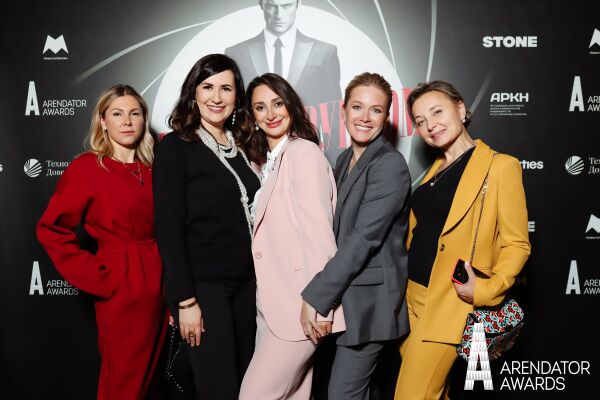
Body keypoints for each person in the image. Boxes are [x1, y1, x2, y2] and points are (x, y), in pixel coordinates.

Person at [394, 80, 531, 399]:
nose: (430, 125)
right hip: (410, 300)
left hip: (448, 303)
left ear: (460, 108)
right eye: (420, 121)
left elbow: (517, 244)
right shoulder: (435, 170)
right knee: (434, 392)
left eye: (437, 112)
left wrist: (484, 289)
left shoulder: (500, 167)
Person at [36, 84, 166, 400]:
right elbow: (51, 229)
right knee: (124, 384)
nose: (127, 121)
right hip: (124, 287)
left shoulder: (157, 167)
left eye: (135, 113)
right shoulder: (87, 168)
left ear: (144, 119)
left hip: (164, 283)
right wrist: (101, 278)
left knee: (150, 383)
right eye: (117, 114)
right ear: (103, 121)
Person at [152, 53, 261, 399]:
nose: (216, 97)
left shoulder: (241, 146)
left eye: (226, 88)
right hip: (204, 288)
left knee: (248, 385)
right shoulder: (176, 147)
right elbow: (168, 229)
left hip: (248, 286)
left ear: (237, 96)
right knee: (219, 389)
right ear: (193, 92)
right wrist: (185, 302)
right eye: (207, 87)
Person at [301, 72, 411, 400]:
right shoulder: (344, 159)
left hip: (370, 304)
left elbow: (363, 239)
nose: (365, 117)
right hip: (345, 296)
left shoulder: (389, 165)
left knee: (343, 394)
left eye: (376, 110)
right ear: (343, 110)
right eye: (357, 107)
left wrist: (316, 297)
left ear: (386, 117)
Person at [238, 73, 345, 400]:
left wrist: (320, 304)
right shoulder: (268, 163)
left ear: (291, 106)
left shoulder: (303, 153)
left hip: (300, 305)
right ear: (252, 116)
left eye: (277, 103)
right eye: (260, 107)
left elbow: (318, 236)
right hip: (272, 305)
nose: (270, 114)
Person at [225, 0, 342, 163]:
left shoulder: (324, 52)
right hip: (253, 155)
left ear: (298, 4)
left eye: (286, 6)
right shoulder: (237, 53)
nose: (279, 14)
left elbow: (334, 113)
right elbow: (233, 110)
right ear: (262, 5)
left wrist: (336, 163)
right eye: (272, 6)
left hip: (307, 154)